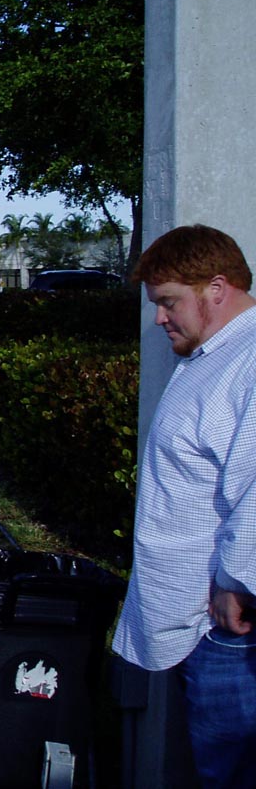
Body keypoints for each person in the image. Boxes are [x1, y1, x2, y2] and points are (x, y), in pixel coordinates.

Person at [112, 224, 256, 789]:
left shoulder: (248, 360)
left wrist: (237, 582)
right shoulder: (213, 356)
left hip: (228, 626)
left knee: (233, 771)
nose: (159, 318)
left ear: (216, 288)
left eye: (169, 302)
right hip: (201, 617)